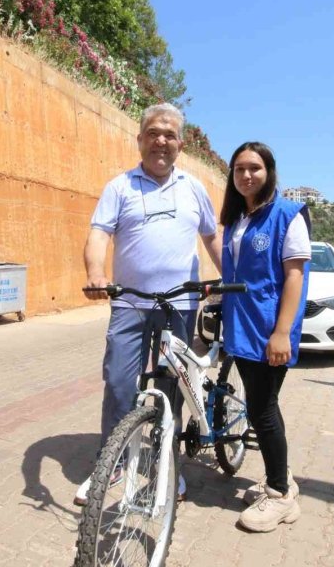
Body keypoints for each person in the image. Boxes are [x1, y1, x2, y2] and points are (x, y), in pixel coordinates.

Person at [76, 103, 222, 505]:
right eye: (153, 133)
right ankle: (114, 462)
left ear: (180, 143)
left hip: (181, 304)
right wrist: (96, 273)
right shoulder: (120, 186)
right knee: (120, 382)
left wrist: (228, 278)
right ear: (140, 139)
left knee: (174, 386)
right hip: (130, 303)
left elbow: (212, 237)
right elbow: (99, 234)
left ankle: (165, 465)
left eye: (169, 134)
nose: (161, 140)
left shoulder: (193, 188)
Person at [219, 142, 311, 532]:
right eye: (239, 169)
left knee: (263, 411)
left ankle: (280, 495)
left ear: (269, 171)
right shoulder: (240, 218)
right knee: (259, 407)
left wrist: (281, 333)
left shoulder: (288, 215)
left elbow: (294, 275)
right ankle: (281, 479)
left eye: (254, 168)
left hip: (268, 330)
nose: (246, 175)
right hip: (241, 327)